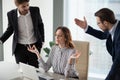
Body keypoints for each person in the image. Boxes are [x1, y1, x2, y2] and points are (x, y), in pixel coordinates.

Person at [74, 8, 120, 80]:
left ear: (105, 23)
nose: (98, 25)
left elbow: (118, 61)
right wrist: (86, 28)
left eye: (98, 23)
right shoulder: (113, 27)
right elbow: (103, 35)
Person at [0, 0, 44, 68]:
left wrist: (42, 40)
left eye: (27, 5)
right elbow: (10, 29)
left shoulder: (35, 10)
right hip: (19, 49)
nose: (27, 8)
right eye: (23, 6)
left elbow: (40, 24)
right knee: (22, 70)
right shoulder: (11, 14)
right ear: (17, 6)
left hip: (34, 47)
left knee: (35, 71)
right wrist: (1, 40)